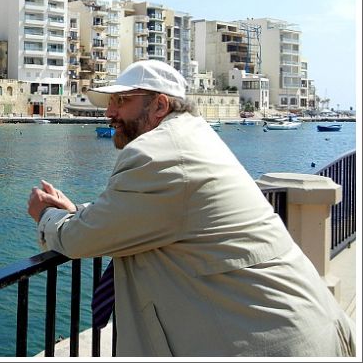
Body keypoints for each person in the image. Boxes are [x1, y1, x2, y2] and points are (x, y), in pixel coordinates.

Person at [27, 60, 355, 357]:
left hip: (275, 344)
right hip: (299, 328)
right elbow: (154, 210)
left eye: (121, 101)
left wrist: (47, 216)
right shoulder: (191, 138)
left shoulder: (159, 153)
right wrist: (81, 210)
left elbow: (78, 240)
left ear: (159, 105)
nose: (110, 112)